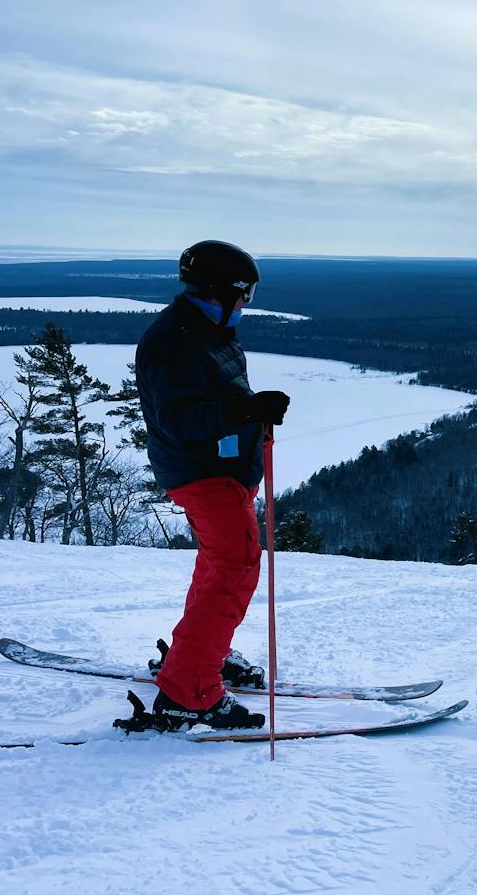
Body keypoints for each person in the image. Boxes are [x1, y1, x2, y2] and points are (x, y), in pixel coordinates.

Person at [135, 239, 291, 730]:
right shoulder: (174, 340)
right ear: (221, 290)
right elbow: (179, 419)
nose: (247, 303)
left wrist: (250, 413)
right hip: (202, 472)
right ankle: (189, 692)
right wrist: (245, 410)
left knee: (219, 565)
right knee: (235, 568)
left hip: (224, 469)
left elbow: (216, 395)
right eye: (244, 293)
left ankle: (198, 657)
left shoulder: (207, 327)